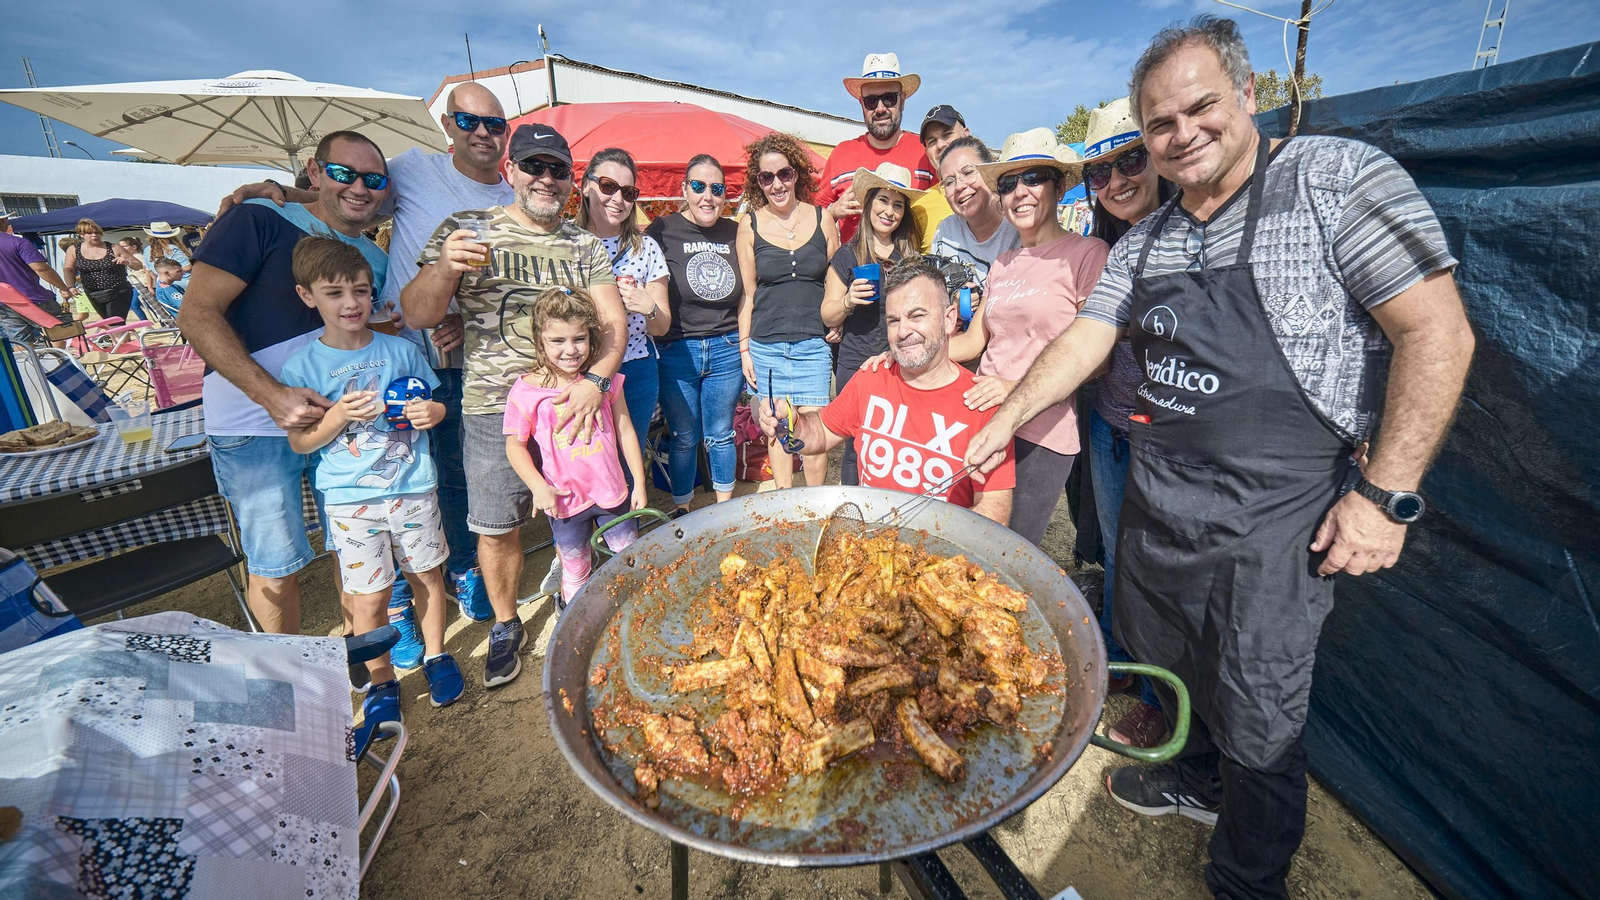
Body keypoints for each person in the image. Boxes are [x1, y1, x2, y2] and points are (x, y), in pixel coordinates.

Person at [964, 17, 1474, 900]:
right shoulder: (1153, 236)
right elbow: (1089, 337)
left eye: (1200, 107)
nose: (1181, 134)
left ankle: (1247, 878)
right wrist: (1008, 411)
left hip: (1275, 517)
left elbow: (1438, 332)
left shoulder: (1334, 180)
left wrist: (1385, 495)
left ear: (1246, 96)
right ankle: (1194, 779)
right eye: (1160, 124)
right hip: (1165, 503)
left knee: (1260, 708)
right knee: (1171, 659)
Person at [219, 84, 526, 652]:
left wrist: (454, 318)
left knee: (436, 479)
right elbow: (344, 192)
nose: (482, 131)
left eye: (494, 122)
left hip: (428, 356)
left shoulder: (513, 193)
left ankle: (456, 572)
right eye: (468, 119)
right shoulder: (410, 169)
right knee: (348, 512)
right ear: (448, 125)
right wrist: (283, 189)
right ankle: (388, 617)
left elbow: (352, 207)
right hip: (334, 385)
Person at [402, 123, 626, 689]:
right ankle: (506, 623)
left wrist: (596, 381)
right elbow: (419, 312)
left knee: (591, 508)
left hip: (575, 405)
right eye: (534, 167)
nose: (546, 178)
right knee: (496, 524)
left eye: (557, 169)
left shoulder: (583, 243)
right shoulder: (467, 230)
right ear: (510, 171)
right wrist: (446, 267)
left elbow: (614, 323)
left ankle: (591, 597)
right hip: (493, 403)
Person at [179, 130, 392, 636]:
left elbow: (352, 329)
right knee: (275, 564)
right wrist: (271, 395)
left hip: (343, 423)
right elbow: (196, 314)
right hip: (254, 422)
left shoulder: (374, 257)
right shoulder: (255, 219)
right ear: (316, 172)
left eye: (373, 179)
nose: (360, 187)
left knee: (356, 548)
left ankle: (362, 668)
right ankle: (286, 691)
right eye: (343, 173)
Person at [279, 236, 463, 725]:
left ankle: (436, 654)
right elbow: (301, 442)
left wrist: (433, 411)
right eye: (334, 293)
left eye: (360, 291)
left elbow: (438, 403)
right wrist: (337, 415)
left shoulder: (400, 351)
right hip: (349, 501)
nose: (351, 303)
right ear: (307, 297)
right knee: (371, 596)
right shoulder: (301, 368)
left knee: (428, 576)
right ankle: (381, 680)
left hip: (413, 488)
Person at [759, 257, 1015, 523]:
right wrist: (790, 422)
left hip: (936, 553)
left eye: (917, 315)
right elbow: (820, 433)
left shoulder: (983, 403)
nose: (904, 331)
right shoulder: (872, 377)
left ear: (949, 319)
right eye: (893, 321)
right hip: (868, 543)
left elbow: (993, 512)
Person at [1077, 97, 1176, 749]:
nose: (1116, 180)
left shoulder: (1193, 230)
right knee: (1117, 555)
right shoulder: (1104, 245)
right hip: (1110, 425)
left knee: (1161, 570)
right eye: (1100, 171)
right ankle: (1115, 658)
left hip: (1171, 441)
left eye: (1129, 159)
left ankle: (1160, 699)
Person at [955, 129, 1108, 546]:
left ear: (1058, 187)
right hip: (980, 419)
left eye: (1033, 178)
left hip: (1043, 432)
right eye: (1007, 184)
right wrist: (903, 351)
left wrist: (1013, 388)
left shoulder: (1088, 254)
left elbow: (1097, 358)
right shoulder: (1002, 263)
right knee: (965, 542)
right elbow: (972, 343)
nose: (1019, 192)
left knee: (1009, 553)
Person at [504, 287, 647, 610]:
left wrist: (638, 481)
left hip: (612, 493)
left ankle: (637, 614)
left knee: (630, 559)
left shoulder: (604, 382)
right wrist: (538, 487)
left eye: (579, 339)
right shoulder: (526, 392)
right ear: (540, 339)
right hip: (565, 502)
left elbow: (626, 430)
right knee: (575, 566)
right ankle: (576, 621)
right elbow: (515, 446)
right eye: (558, 341)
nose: (571, 350)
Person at [735, 132, 839, 491]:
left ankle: (815, 505)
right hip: (766, 345)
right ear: (757, 182)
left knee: (814, 430)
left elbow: (834, 282)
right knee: (778, 428)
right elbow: (749, 294)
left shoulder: (824, 219)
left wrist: (837, 319)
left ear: (797, 175)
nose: (777, 184)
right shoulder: (748, 225)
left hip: (813, 342)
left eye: (784, 174)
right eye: (767, 177)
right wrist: (744, 347)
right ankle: (785, 502)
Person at [645, 155, 744, 517]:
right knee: (684, 436)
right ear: (684, 189)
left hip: (727, 347)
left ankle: (724, 511)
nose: (708, 196)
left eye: (717, 189)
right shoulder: (662, 229)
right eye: (699, 186)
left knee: (721, 433)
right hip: (676, 349)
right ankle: (683, 509)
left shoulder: (735, 232)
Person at [820, 163, 922, 485]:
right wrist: (848, 301)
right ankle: (852, 508)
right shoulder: (848, 256)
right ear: (869, 203)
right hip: (856, 365)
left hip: (899, 364)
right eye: (883, 200)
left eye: (898, 204)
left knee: (896, 446)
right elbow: (827, 314)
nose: (889, 211)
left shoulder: (911, 258)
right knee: (854, 448)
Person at [574, 147, 670, 467]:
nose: (618, 199)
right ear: (586, 186)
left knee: (628, 467)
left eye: (628, 192)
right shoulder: (564, 244)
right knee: (584, 462)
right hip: (576, 369)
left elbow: (662, 326)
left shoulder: (646, 249)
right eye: (607, 186)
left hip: (634, 369)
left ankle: (631, 519)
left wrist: (648, 306)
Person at [816, 53, 938, 243]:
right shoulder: (841, 154)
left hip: (912, 268)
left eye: (889, 99)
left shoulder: (925, 151)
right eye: (871, 101)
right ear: (862, 104)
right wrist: (834, 211)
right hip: (854, 270)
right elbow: (812, 217)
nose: (880, 108)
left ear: (903, 100)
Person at [929, 138, 1021, 292]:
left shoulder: (1018, 227)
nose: (959, 186)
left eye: (968, 172)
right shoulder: (945, 232)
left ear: (990, 173)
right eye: (949, 182)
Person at [0, 205, 72, 344]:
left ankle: (33, 365)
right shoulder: (18, 243)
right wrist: (63, 288)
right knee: (57, 331)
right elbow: (41, 269)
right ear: (3, 221)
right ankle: (61, 362)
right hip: (34, 298)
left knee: (21, 343)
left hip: (5, 303)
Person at [910, 105, 969, 251]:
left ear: (966, 134)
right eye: (932, 141)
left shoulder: (998, 186)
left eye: (947, 134)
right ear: (927, 152)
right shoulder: (919, 206)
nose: (941, 145)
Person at [61, 219, 136, 320]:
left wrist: (127, 262)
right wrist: (70, 286)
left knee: (116, 323)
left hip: (118, 291)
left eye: (97, 233)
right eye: (89, 233)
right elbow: (68, 269)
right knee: (109, 323)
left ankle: (120, 334)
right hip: (93, 292)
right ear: (81, 234)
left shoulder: (114, 247)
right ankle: (121, 335)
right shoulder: (74, 249)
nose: (94, 235)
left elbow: (138, 265)